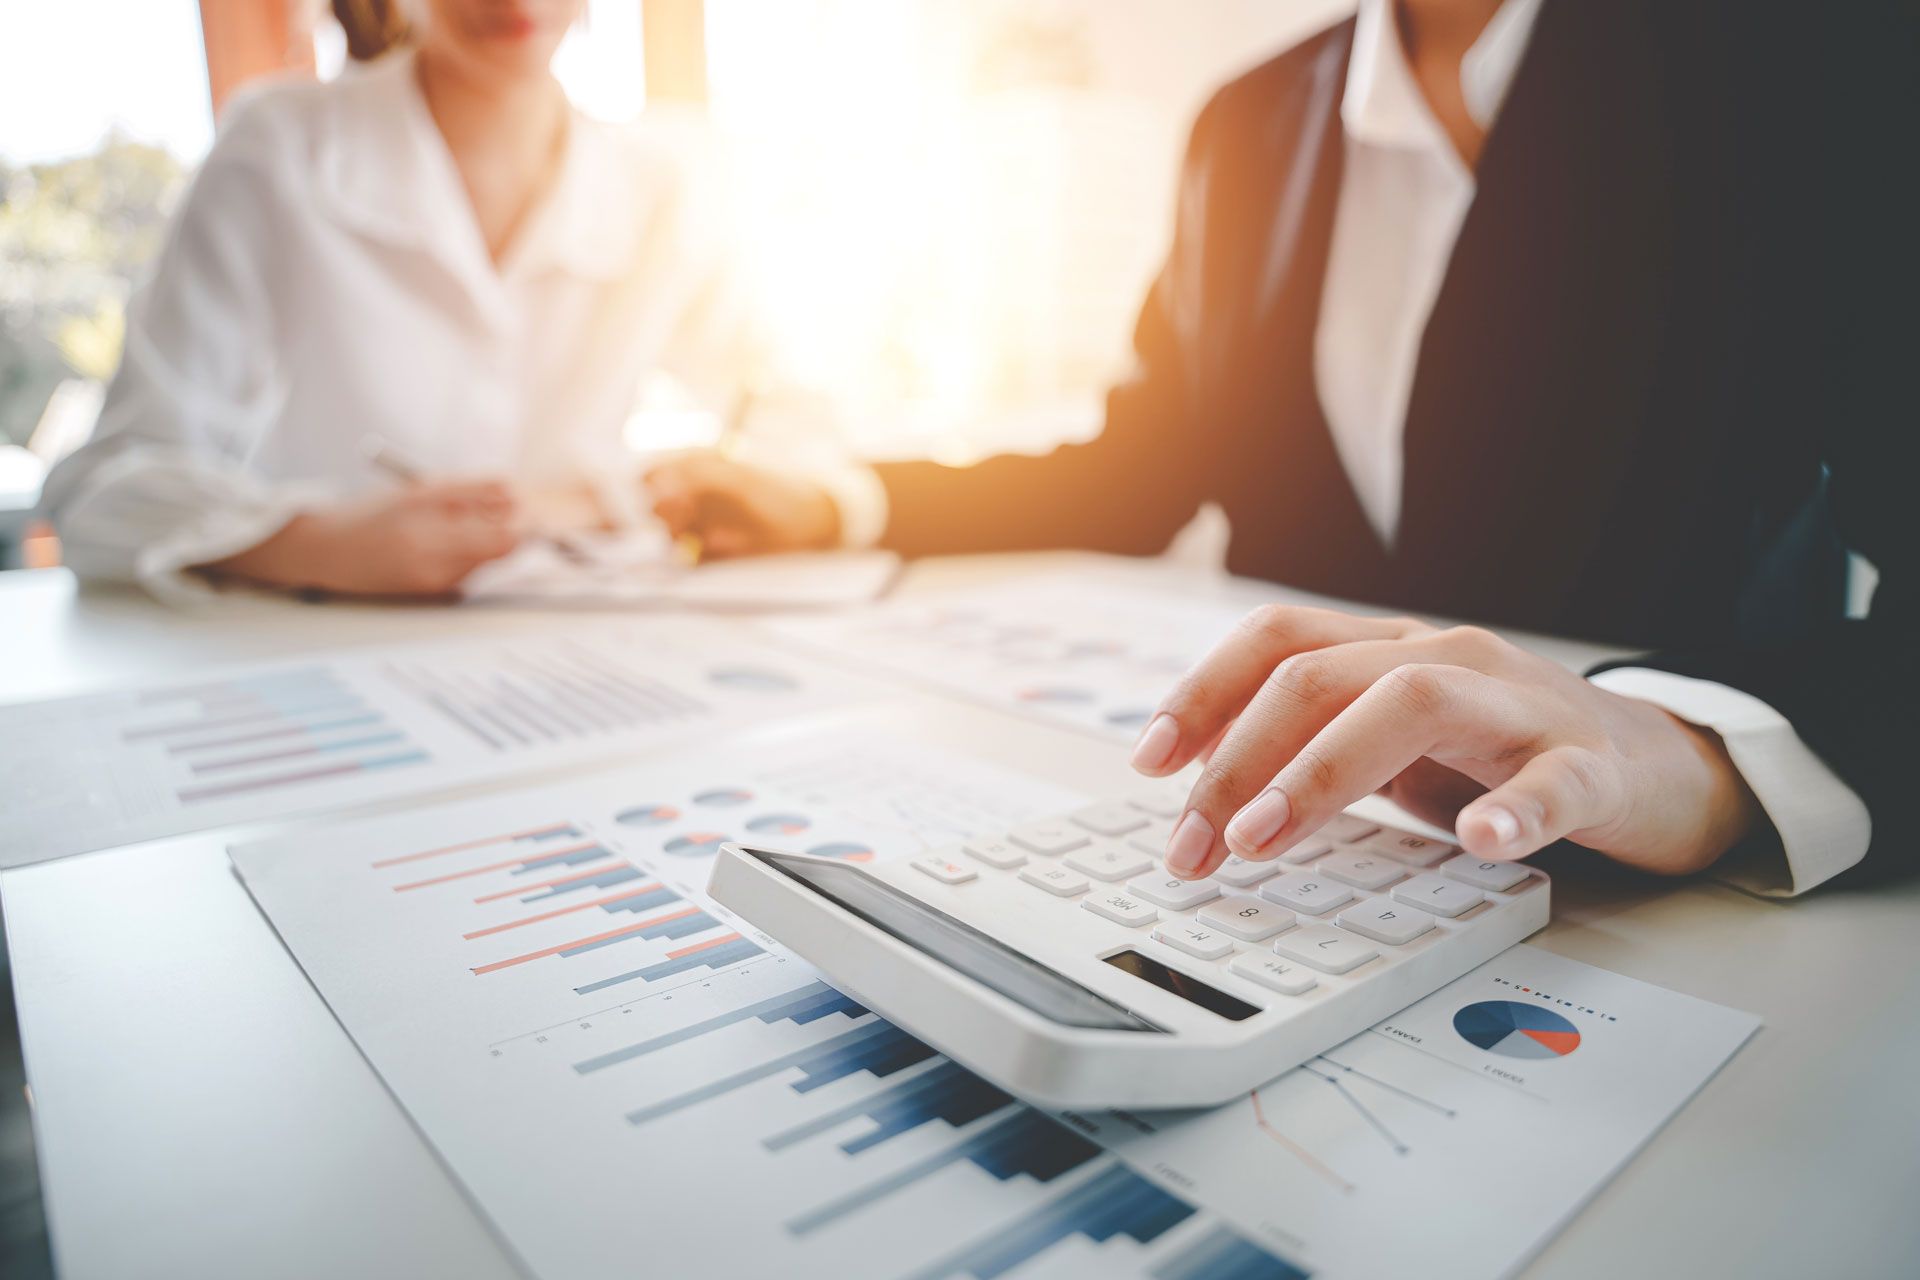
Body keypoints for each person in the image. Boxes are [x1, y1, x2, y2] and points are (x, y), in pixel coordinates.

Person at [648, 0, 1914, 895]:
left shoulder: (1826, 68)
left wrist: (1706, 751)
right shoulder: (1246, 122)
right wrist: (839, 502)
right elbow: (1146, 463)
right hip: (1317, 859)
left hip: (1652, 890)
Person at [40, 0, 759, 598]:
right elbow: (99, 493)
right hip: (322, 660)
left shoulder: (662, 185)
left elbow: (794, 414)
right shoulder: (279, 146)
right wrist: (313, 544)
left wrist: (608, 500)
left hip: (597, 652)